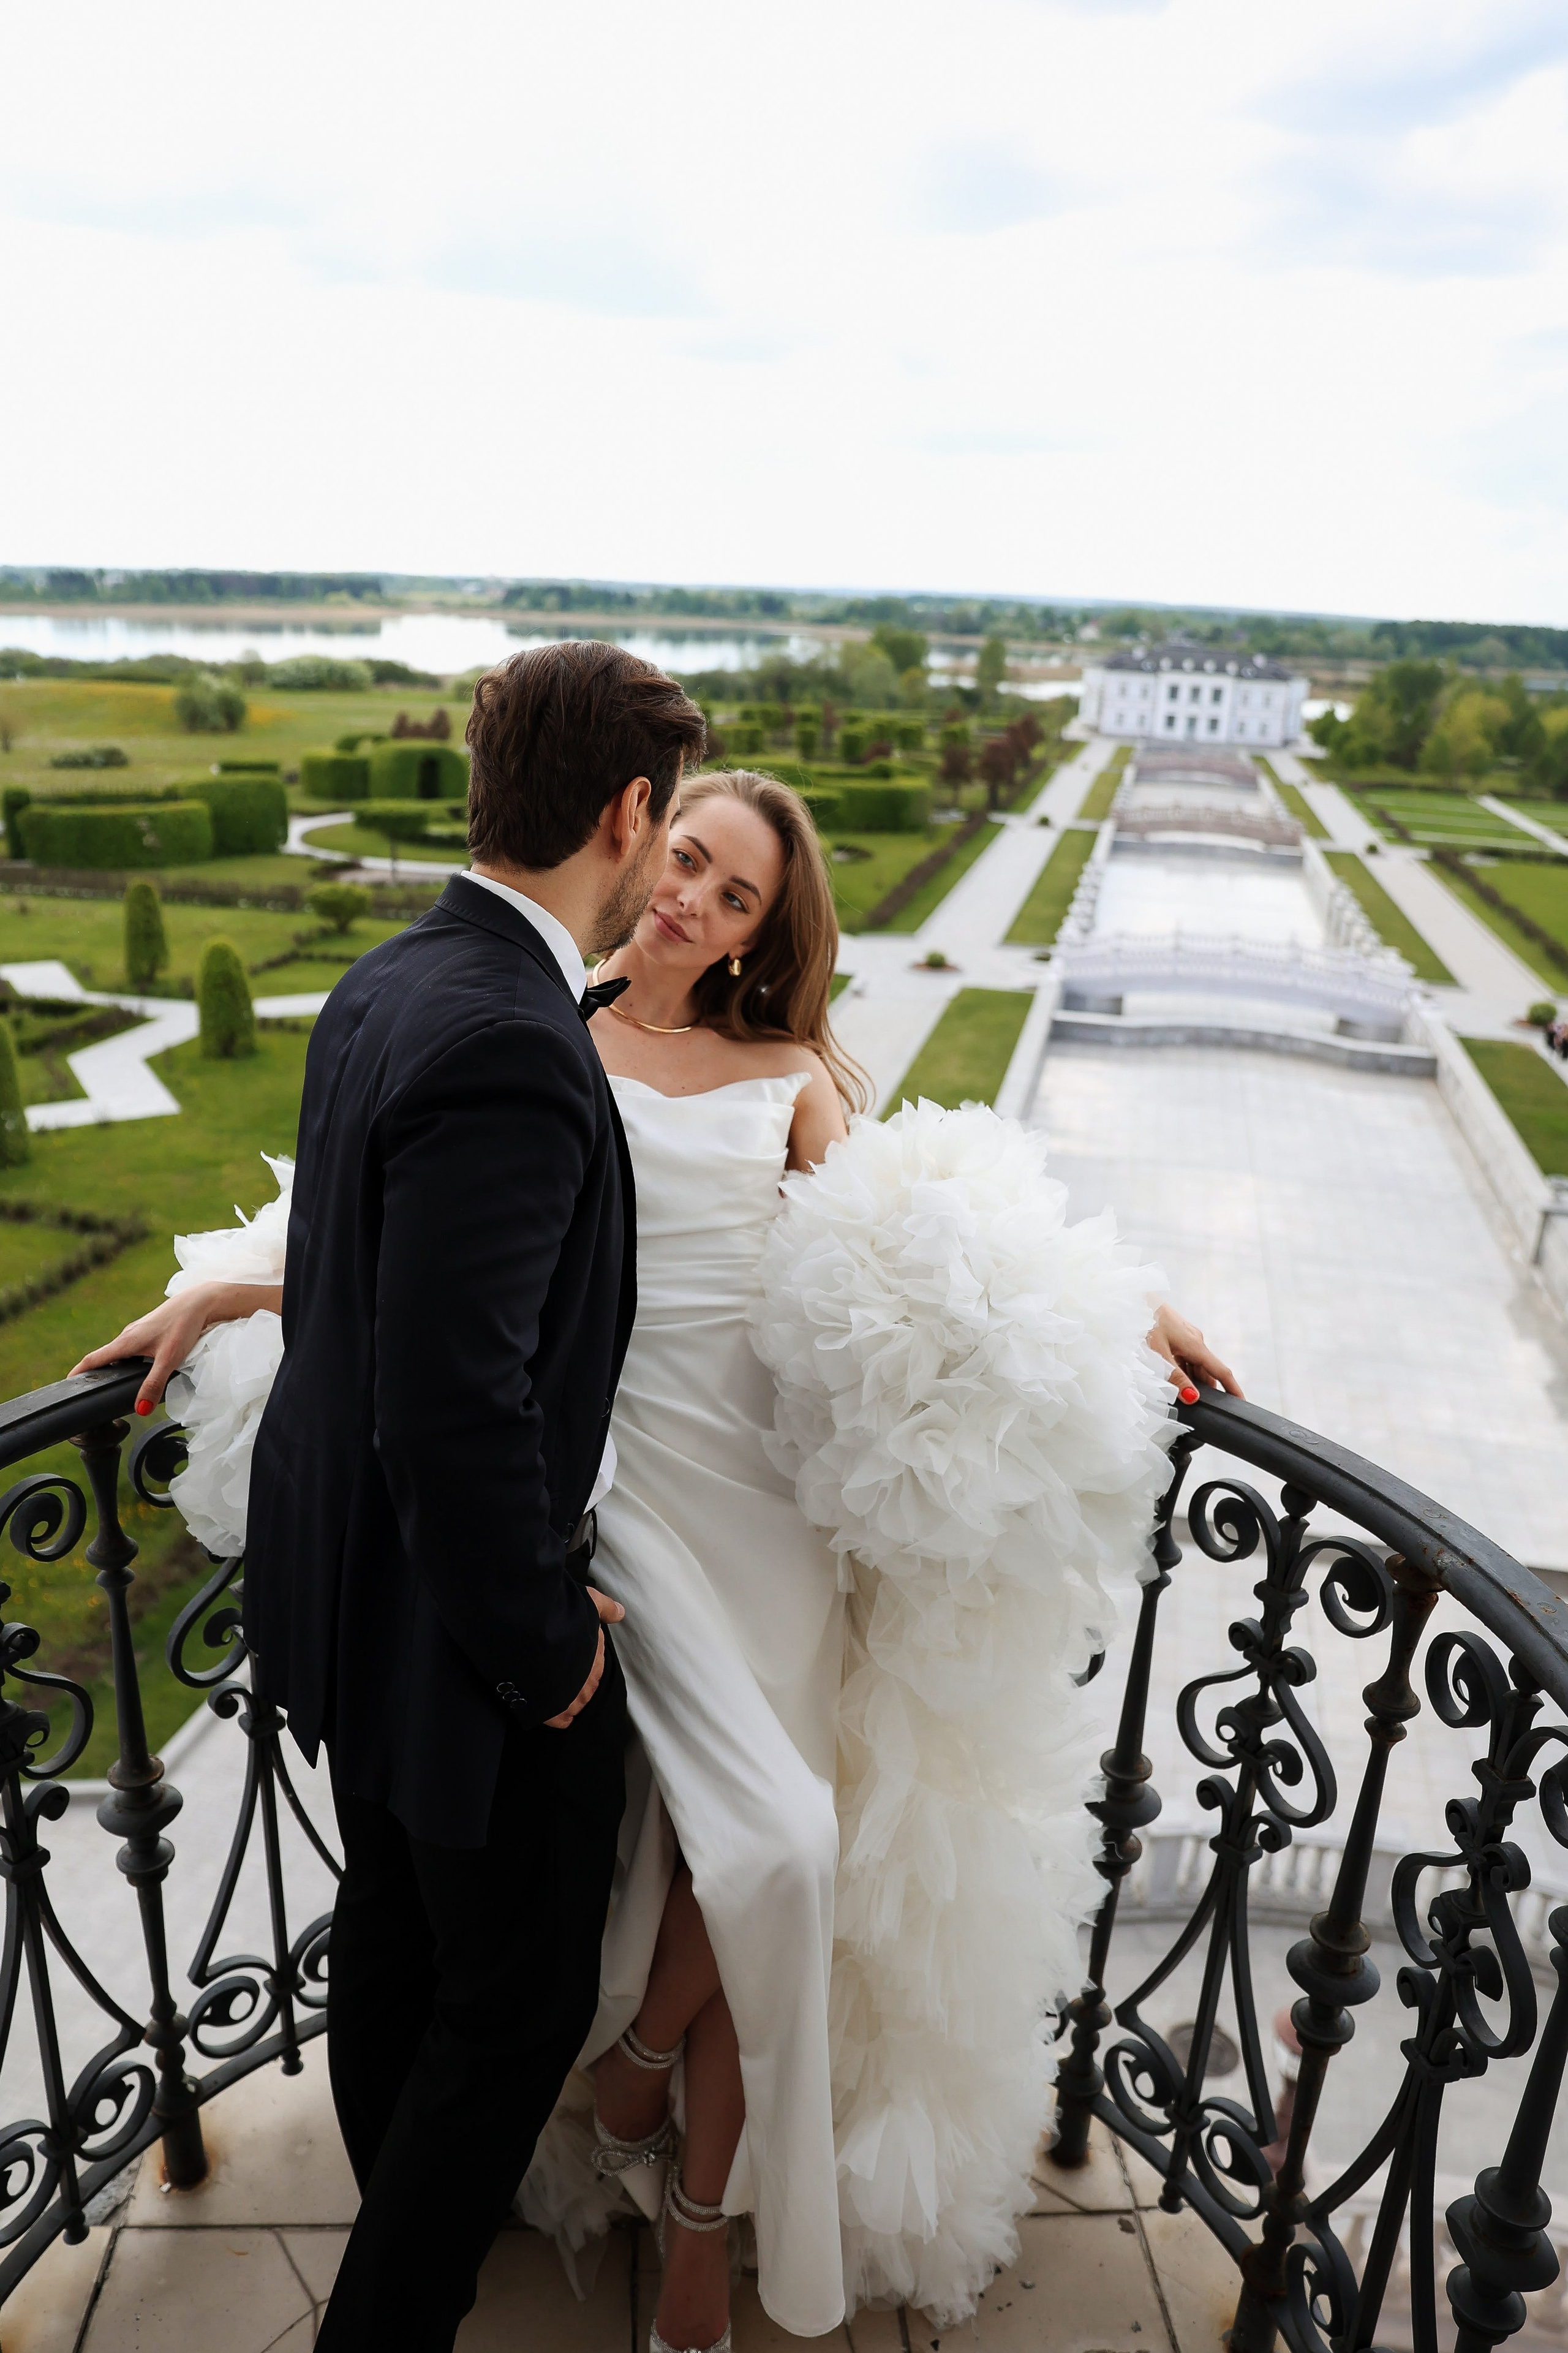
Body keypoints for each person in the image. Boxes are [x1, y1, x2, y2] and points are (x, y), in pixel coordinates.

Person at [76, 735, 1239, 2352]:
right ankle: (602, 2110)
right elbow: (428, 1251)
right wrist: (229, 1281)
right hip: (605, 1487)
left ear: (769, 928)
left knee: (768, 1844)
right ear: (643, 843)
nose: (691, 893)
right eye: (684, 854)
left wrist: (1131, 1308)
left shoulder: (799, 1081)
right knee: (669, 1844)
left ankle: (672, 2148)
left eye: (736, 888)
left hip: (750, 1499)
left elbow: (940, 1253)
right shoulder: (542, 1028)